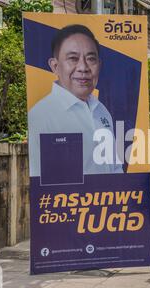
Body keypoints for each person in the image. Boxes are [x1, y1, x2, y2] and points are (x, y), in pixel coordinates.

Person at [28, 24, 123, 178]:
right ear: (55, 66)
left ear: (99, 65)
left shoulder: (102, 111)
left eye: (91, 59)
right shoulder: (41, 116)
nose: (83, 68)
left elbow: (115, 168)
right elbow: (41, 182)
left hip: (108, 201)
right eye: (73, 58)